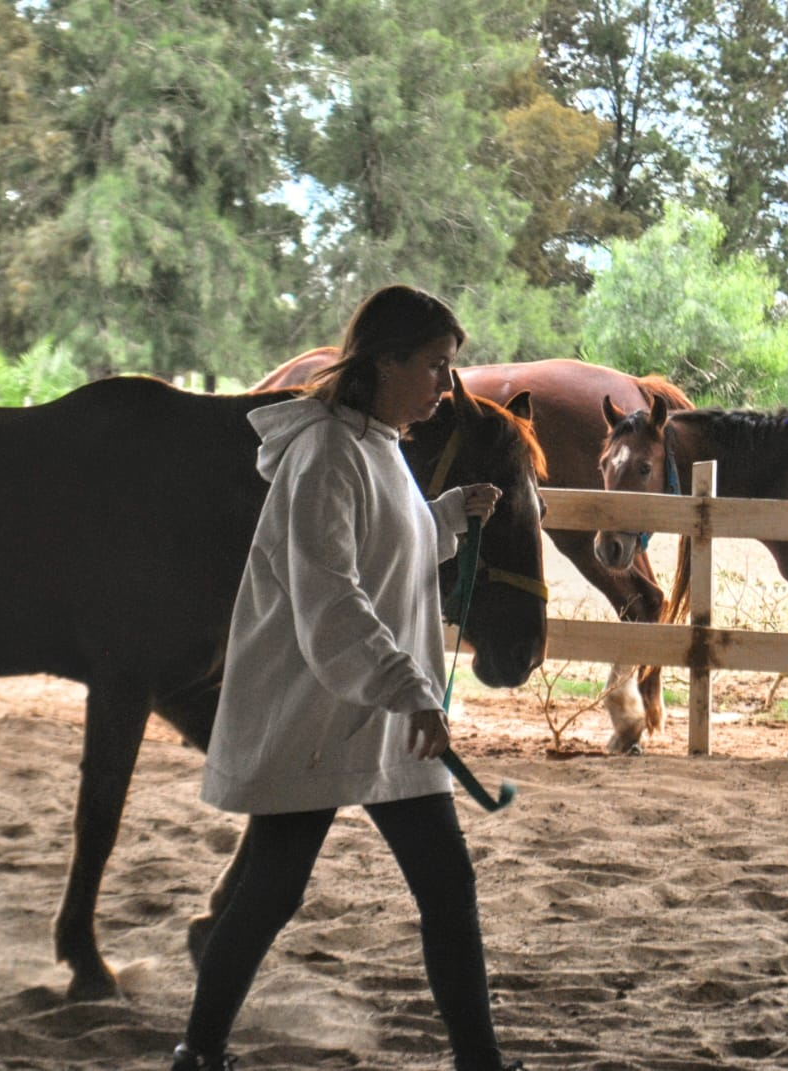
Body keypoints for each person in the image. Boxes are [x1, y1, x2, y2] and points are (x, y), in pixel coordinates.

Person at [169, 285, 523, 1071]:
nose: (444, 386)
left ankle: (480, 1061)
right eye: (434, 367)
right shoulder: (326, 450)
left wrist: (448, 514)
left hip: (375, 707)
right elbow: (330, 593)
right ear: (387, 359)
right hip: (320, 710)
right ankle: (198, 1052)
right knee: (270, 892)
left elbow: (384, 548)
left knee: (442, 886)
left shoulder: (378, 441)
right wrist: (409, 685)